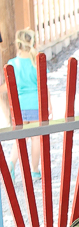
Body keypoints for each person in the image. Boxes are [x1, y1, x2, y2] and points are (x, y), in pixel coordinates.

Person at [0, 29, 52, 181]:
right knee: (36, 139)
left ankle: (10, 165)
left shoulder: (12, 64)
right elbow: (44, 85)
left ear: (17, 44)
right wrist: (49, 105)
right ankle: (34, 171)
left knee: (20, 139)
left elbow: (8, 86)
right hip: (36, 105)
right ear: (33, 42)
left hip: (20, 107)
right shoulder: (35, 62)